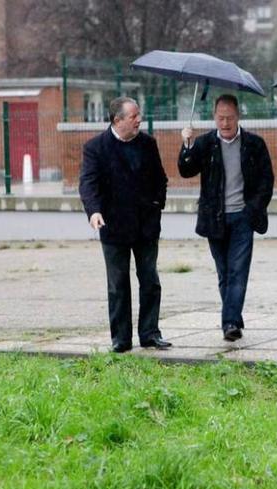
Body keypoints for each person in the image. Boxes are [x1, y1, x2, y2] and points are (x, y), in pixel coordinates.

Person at [79, 96, 172, 353]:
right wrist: (94, 211)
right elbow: (88, 183)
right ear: (117, 120)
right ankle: (121, 338)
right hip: (113, 225)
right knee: (118, 284)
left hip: (146, 225)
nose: (139, 120)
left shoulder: (148, 144)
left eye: (139, 114)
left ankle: (150, 333)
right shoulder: (96, 147)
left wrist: (157, 205)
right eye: (133, 116)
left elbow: (160, 179)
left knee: (150, 280)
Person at [179, 94, 275, 341]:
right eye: (220, 118)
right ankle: (234, 316)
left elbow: (267, 181)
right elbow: (186, 170)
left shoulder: (254, 144)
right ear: (214, 117)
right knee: (224, 272)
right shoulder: (205, 143)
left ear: (238, 116)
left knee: (238, 271)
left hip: (243, 217)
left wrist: (252, 208)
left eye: (229, 118)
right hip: (215, 218)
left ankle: (229, 322)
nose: (225, 123)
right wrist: (187, 145)